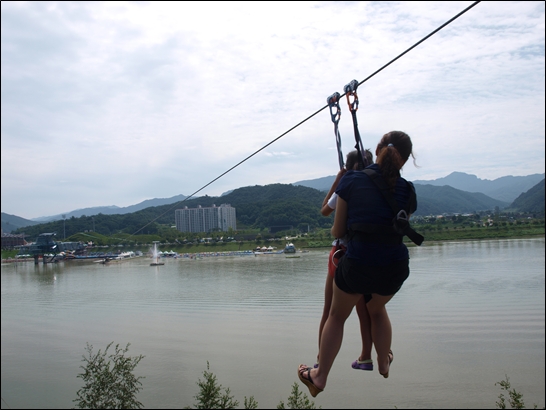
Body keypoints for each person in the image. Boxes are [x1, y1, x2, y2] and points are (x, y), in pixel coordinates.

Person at [298, 131, 419, 397]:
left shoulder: (351, 181)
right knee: (376, 309)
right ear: (406, 159)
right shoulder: (408, 190)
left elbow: (337, 229)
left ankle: (319, 376)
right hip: (395, 266)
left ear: (377, 150)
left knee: (336, 315)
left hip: (359, 263)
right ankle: (383, 361)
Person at [316, 149, 374, 372]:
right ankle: (366, 355)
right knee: (364, 310)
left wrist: (337, 180)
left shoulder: (346, 185)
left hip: (341, 253)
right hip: (367, 254)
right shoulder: (375, 187)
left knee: (330, 311)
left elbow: (324, 211)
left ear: (348, 168)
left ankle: (322, 358)